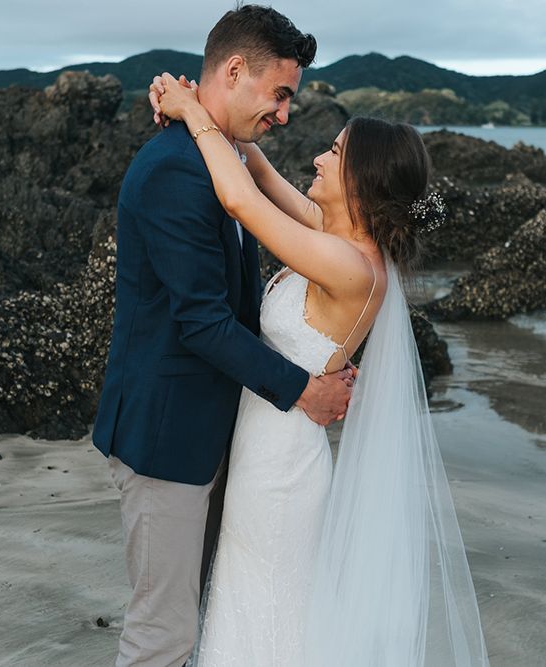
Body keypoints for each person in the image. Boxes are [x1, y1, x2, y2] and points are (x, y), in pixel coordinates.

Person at [154, 70, 490, 665]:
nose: (317, 155)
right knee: (252, 602)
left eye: (333, 152)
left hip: (281, 470)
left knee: (272, 612)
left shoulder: (351, 267)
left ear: (361, 178)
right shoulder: (338, 239)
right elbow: (256, 171)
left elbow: (239, 199)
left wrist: (191, 112)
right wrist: (207, 104)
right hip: (266, 449)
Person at [91, 6, 353, 666]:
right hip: (166, 438)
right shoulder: (180, 169)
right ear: (235, 70)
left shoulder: (219, 158)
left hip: (213, 435)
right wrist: (305, 393)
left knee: (196, 619)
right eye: (280, 94)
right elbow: (203, 322)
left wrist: (193, 110)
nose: (286, 114)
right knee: (162, 634)